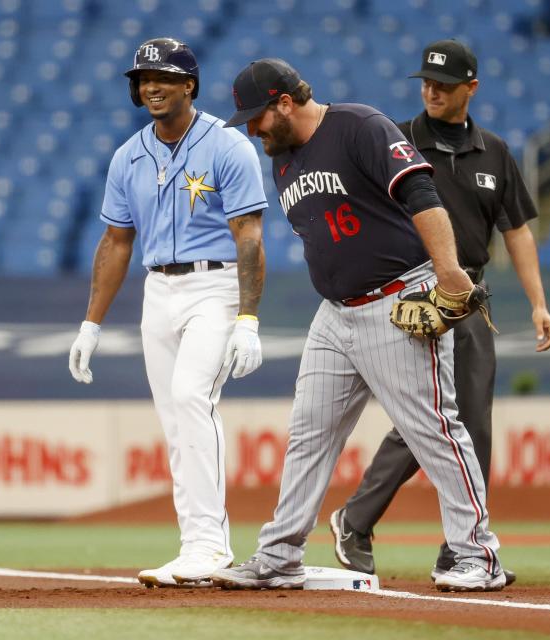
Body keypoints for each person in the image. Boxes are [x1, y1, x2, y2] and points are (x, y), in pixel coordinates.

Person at [211, 58, 511, 592]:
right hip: (334, 315)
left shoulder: (359, 125)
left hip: (395, 300)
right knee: (308, 435)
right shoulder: (283, 160)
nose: (252, 130)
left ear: (284, 102)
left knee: (434, 431)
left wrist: (447, 273)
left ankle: (477, 555)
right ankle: (279, 557)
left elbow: (422, 195)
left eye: (256, 117)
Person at [328, 39, 550, 580]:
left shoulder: (495, 152)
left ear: (470, 89)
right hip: (409, 293)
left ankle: (452, 544)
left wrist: (538, 304)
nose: (431, 91)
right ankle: (362, 522)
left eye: (444, 84)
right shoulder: (397, 139)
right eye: (426, 82)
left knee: (470, 422)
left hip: (469, 297)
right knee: (426, 416)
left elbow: (517, 232)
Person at [67, 38, 268, 588]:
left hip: (216, 285)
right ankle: (194, 545)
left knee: (190, 398)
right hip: (158, 291)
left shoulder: (227, 145)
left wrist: (248, 319)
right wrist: (91, 323)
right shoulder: (128, 155)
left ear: (190, 85)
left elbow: (249, 234)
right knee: (175, 421)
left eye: (164, 76)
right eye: (142, 78)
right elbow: (115, 241)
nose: (151, 85)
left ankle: (210, 546)